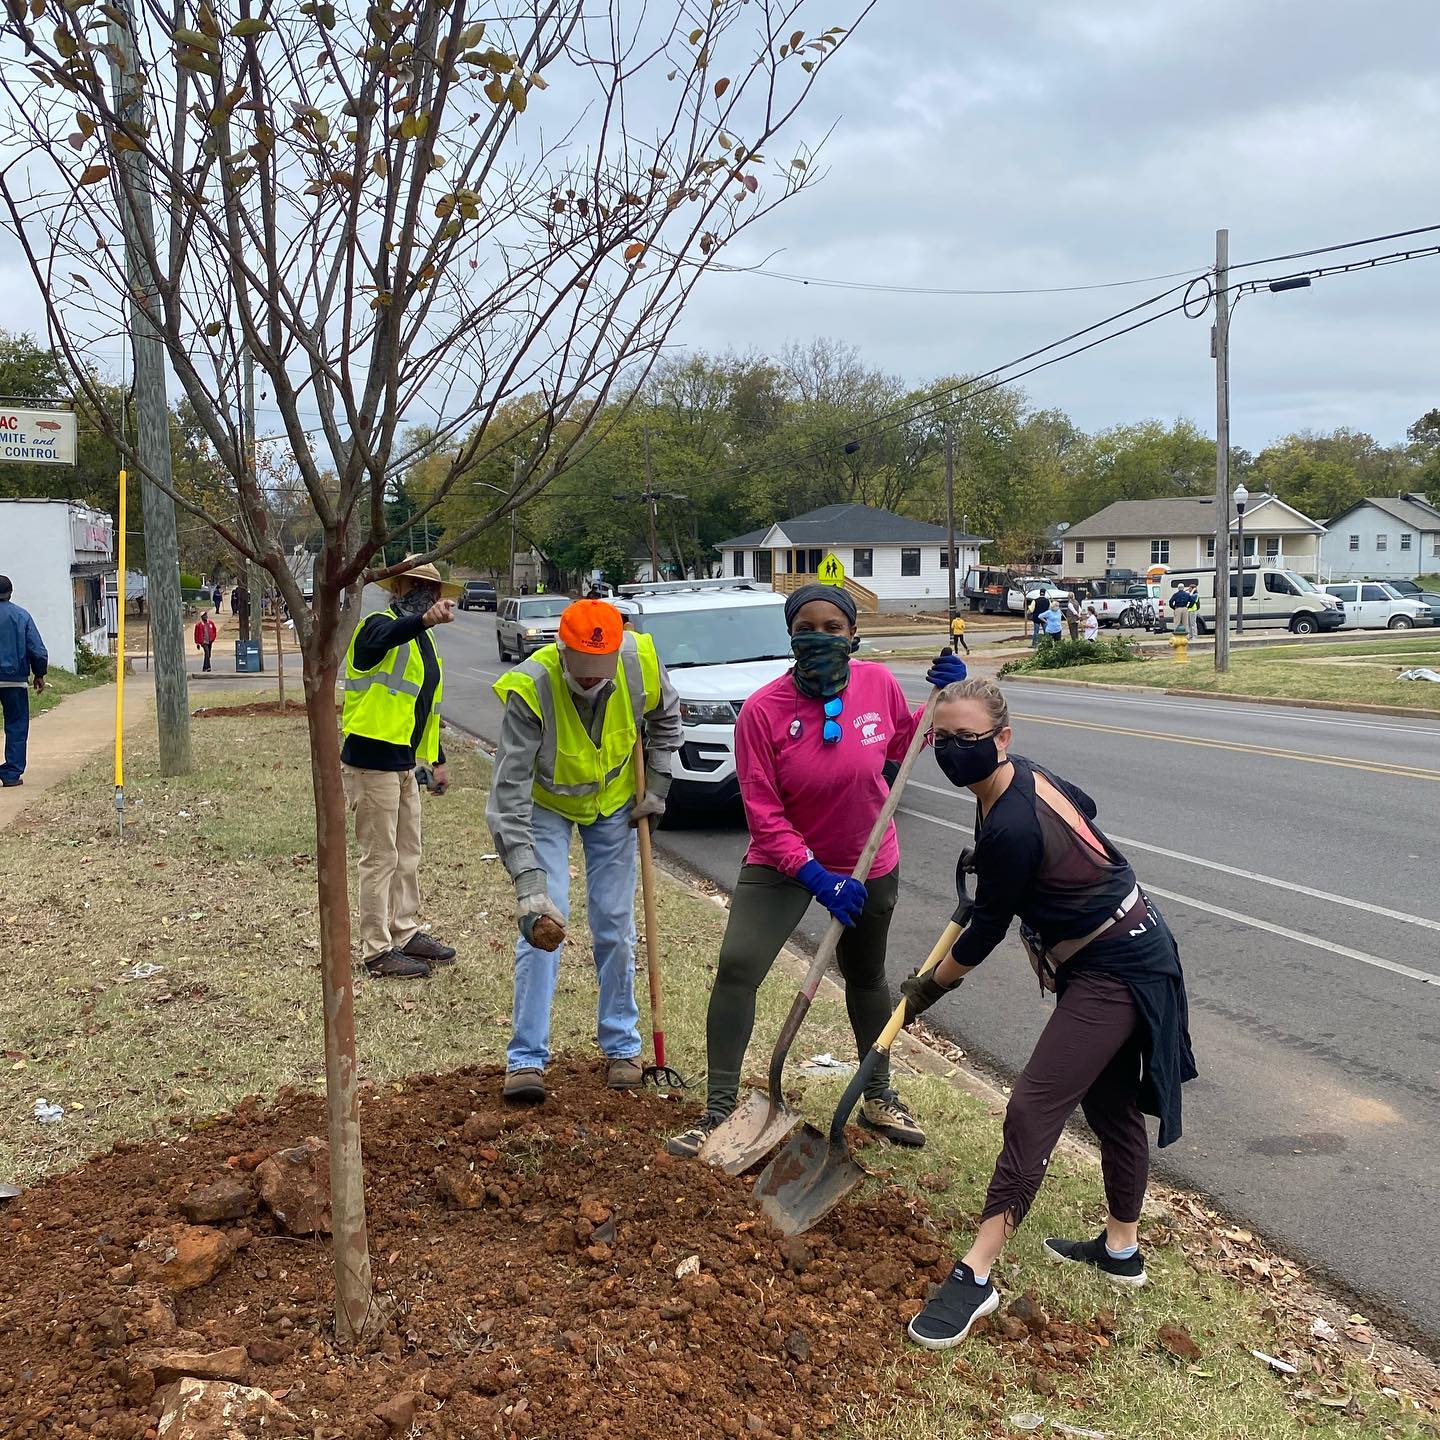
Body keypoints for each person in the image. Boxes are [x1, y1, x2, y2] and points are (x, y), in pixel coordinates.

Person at [900, 676, 1197, 1349]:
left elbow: (981, 934)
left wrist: (926, 990)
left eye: (968, 739)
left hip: (1118, 967)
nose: (952, 751)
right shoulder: (1016, 783)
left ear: (1003, 739)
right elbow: (1083, 805)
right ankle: (1122, 1250)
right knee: (1110, 1104)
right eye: (941, 739)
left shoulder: (1008, 823)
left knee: (1033, 1106)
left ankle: (976, 1275)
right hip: (1114, 951)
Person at [665, 584, 969, 1158]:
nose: (821, 637)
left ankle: (877, 1093)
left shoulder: (877, 683)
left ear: (853, 634)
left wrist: (940, 702)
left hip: (868, 857)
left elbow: (903, 744)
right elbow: (762, 810)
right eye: (808, 627)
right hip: (785, 863)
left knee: (867, 976)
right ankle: (720, 1110)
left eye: (834, 628)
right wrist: (814, 876)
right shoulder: (762, 711)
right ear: (791, 635)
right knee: (737, 966)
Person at [487, 598, 683, 1104]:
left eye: (602, 674)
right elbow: (507, 796)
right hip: (548, 805)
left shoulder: (639, 660)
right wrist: (528, 886)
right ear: (561, 650)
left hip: (616, 803)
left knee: (615, 924)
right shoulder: (531, 687)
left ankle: (622, 1047)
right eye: (584, 675)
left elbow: (666, 720)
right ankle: (526, 1058)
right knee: (543, 924)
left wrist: (657, 786)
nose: (594, 683)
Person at [341, 558, 461, 979]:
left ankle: (404, 932)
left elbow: (422, 708)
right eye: (418, 586)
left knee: (408, 853)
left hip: (405, 762)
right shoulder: (378, 625)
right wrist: (423, 621)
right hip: (371, 760)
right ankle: (376, 950)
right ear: (399, 588)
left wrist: (438, 758)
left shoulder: (424, 642)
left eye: (433, 589)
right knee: (380, 857)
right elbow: (387, 637)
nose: (428, 595)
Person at [0, 575, 47, 789]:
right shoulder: (21, 616)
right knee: (16, 725)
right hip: (14, 680)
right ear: (10, 593)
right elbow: (37, 650)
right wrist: (39, 674)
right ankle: (11, 773)